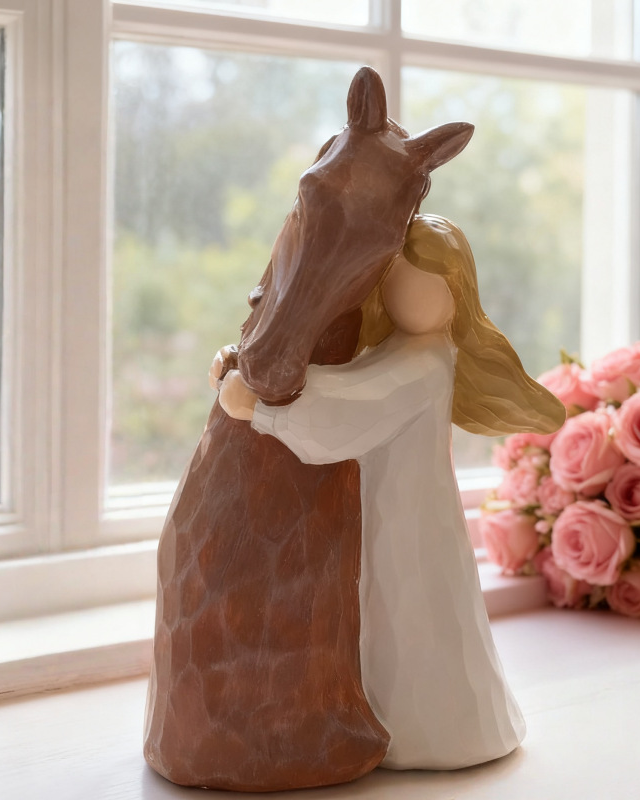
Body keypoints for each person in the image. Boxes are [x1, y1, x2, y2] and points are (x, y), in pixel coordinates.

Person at [213, 213, 565, 769]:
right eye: (400, 276)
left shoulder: (424, 362)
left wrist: (260, 410)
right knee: (408, 612)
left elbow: (349, 411)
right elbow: (345, 383)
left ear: (457, 293)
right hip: (399, 512)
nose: (413, 291)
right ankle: (435, 726)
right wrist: (251, 367)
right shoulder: (405, 350)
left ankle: (437, 734)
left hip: (408, 520)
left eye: (431, 280)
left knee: (415, 613)